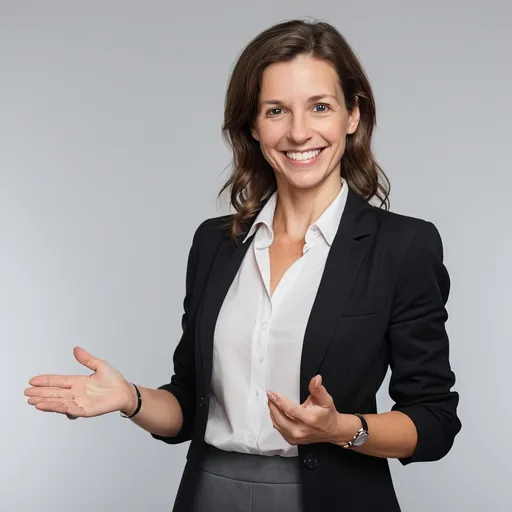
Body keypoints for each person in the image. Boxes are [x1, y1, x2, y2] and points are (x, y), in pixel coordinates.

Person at [25, 19, 461, 512]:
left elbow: (433, 420)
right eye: (277, 111)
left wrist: (343, 428)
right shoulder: (215, 244)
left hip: (335, 497)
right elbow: (189, 405)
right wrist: (131, 399)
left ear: (352, 115)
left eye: (320, 107)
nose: (299, 132)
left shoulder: (403, 246)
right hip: (210, 493)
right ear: (253, 125)